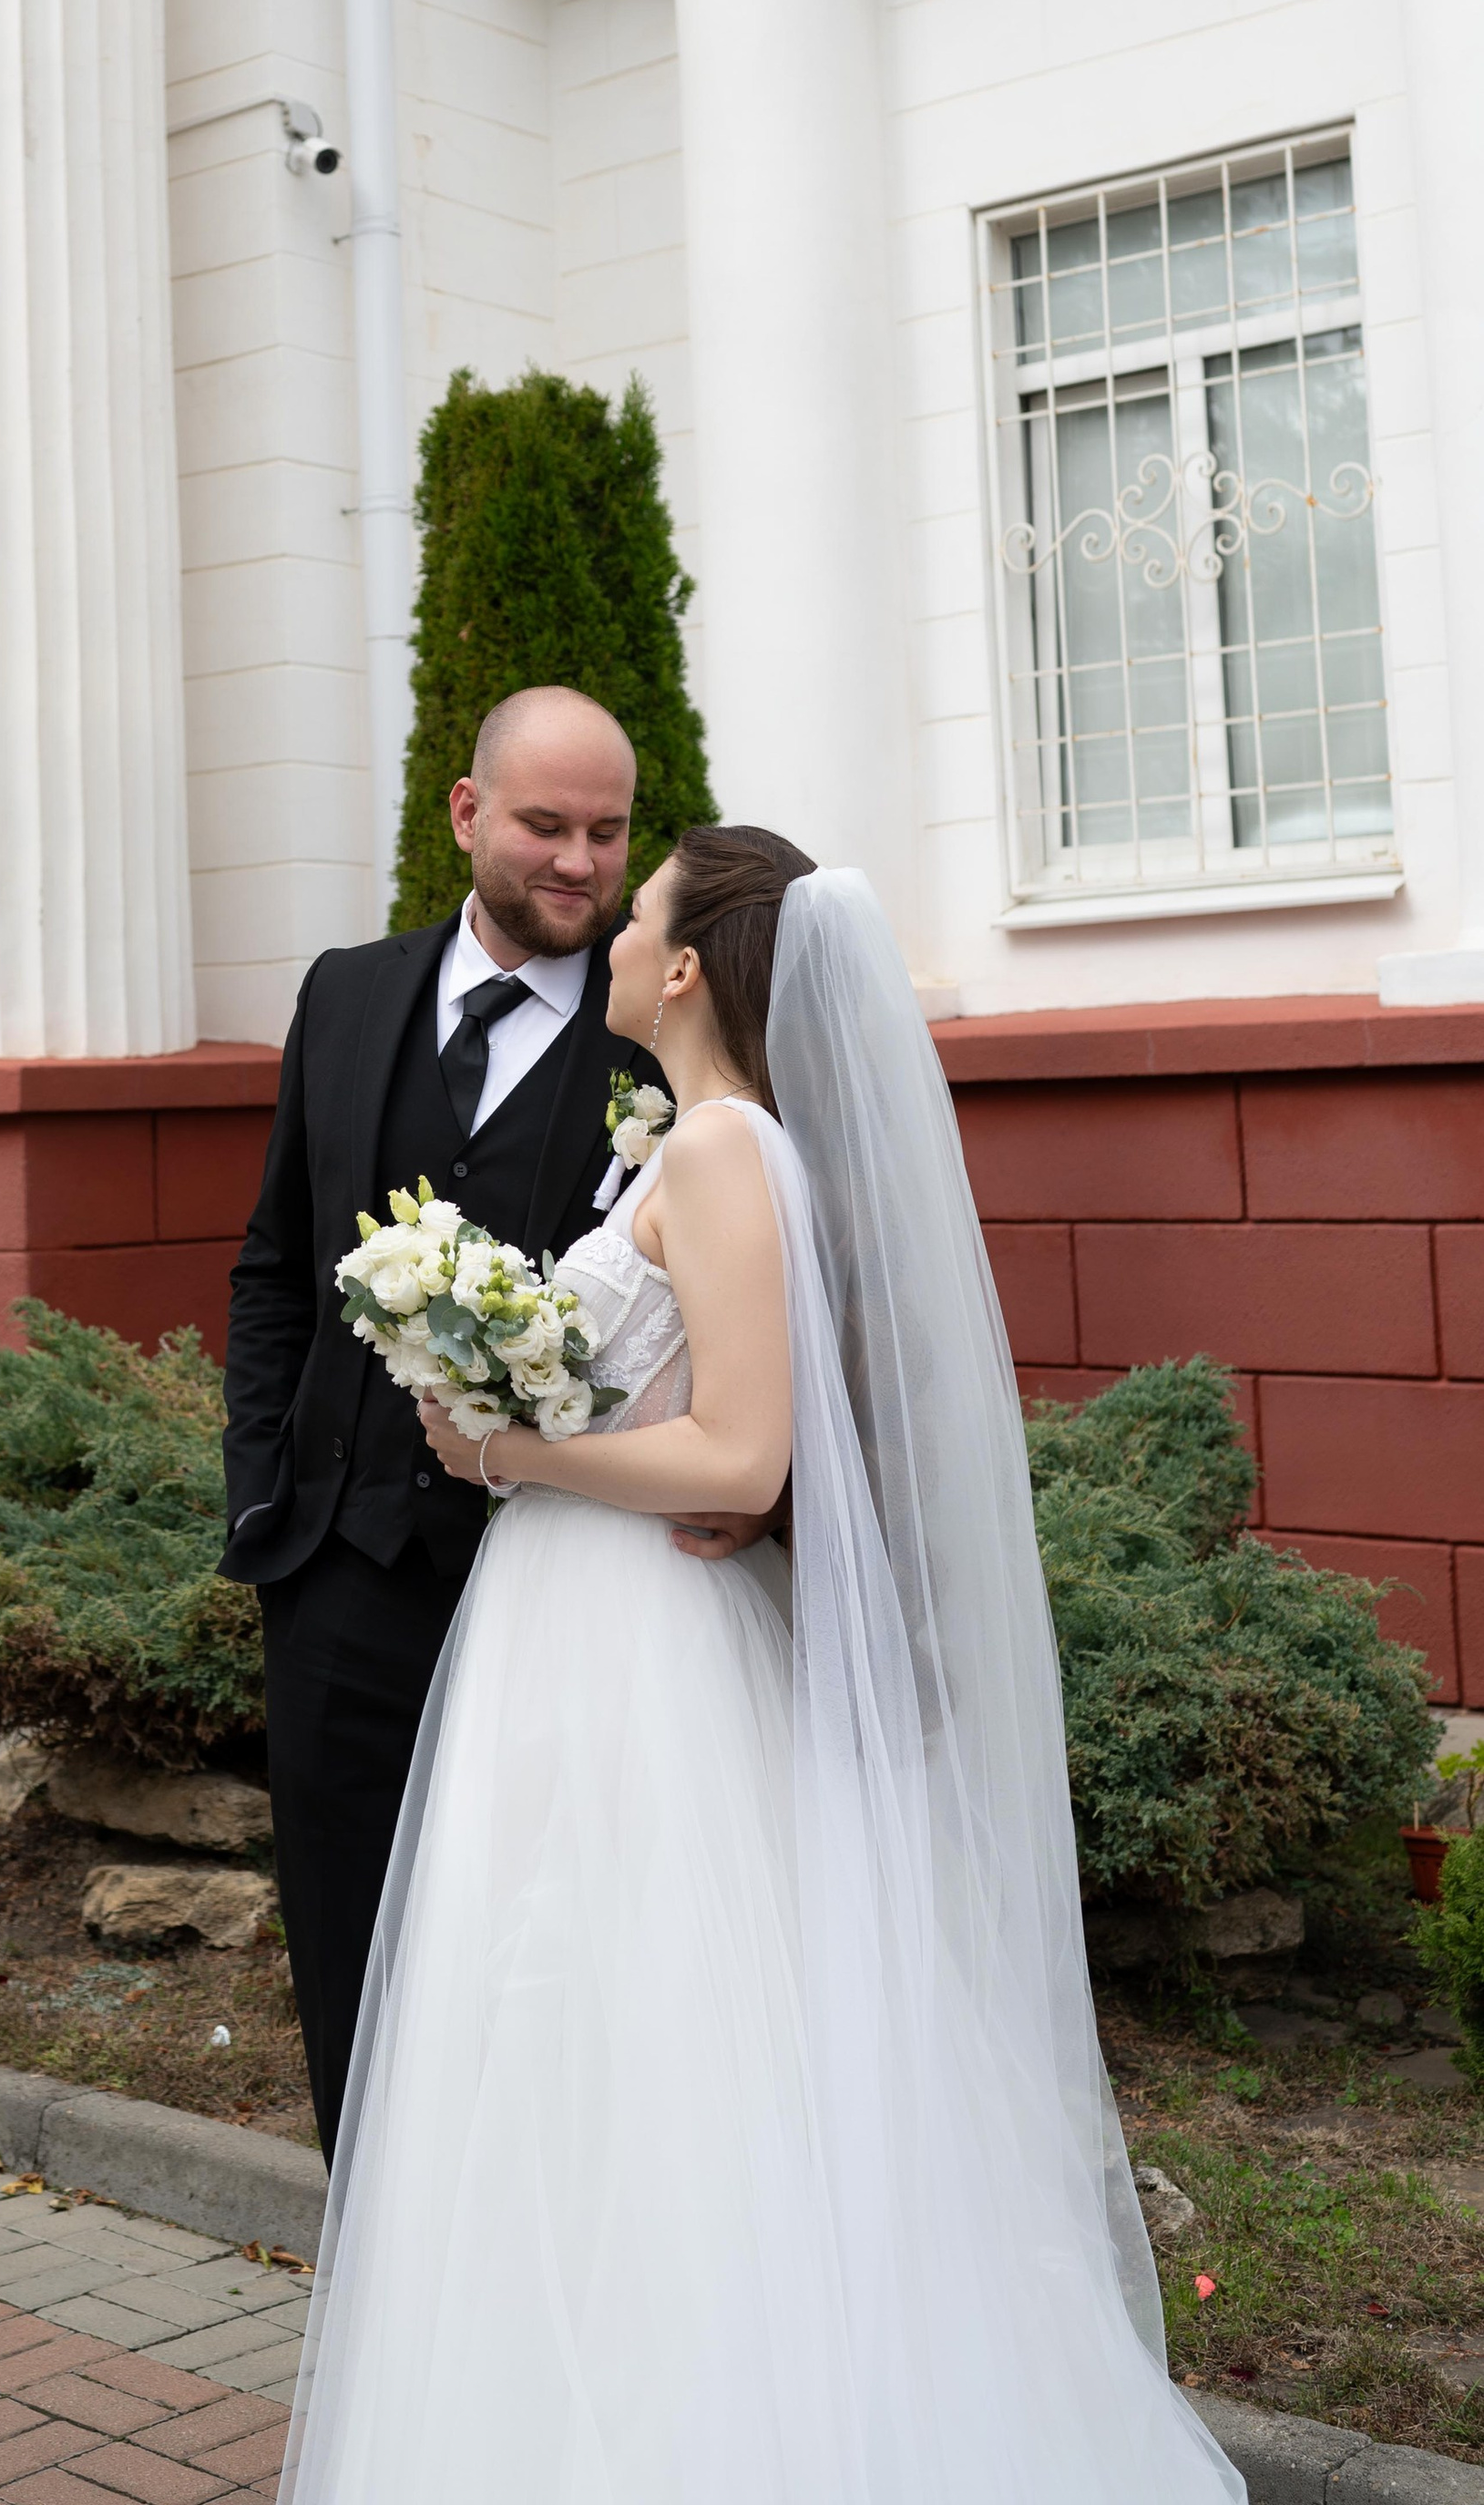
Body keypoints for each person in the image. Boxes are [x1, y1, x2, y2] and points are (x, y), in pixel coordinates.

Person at [279, 826, 1243, 2505]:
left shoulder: (723, 1152)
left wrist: (506, 1454)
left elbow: (737, 1456)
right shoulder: (694, 1146)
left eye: (641, 903)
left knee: (653, 2044)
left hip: (634, 1637)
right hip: (584, 1630)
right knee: (578, 2037)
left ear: (684, 970)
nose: (621, 916)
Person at [221, 686, 709, 2157]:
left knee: (541, 1971)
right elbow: (273, 1270)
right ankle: (384, 2311)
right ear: (466, 814)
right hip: (337, 1585)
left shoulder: (669, 1048)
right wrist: (265, 1500)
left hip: (561, 1592)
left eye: (609, 834)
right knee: (347, 1967)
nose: (579, 863)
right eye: (547, 827)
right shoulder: (347, 994)